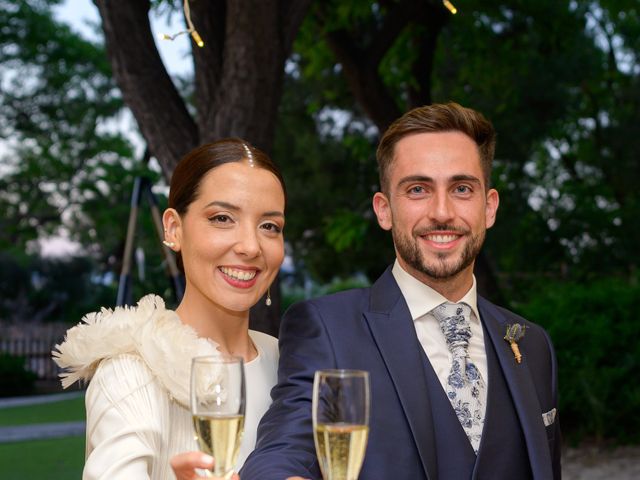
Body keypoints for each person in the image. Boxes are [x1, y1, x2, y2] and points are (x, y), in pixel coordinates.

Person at [239, 102, 561, 479]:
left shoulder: (532, 345)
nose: (441, 212)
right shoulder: (327, 330)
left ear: (489, 207)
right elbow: (281, 454)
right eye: (418, 189)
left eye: (461, 188)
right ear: (384, 209)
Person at [52, 138, 287, 480]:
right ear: (174, 229)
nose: (251, 246)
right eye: (222, 218)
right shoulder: (133, 372)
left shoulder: (291, 362)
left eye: (270, 226)